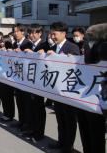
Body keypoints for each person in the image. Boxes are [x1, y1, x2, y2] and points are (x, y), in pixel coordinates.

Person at [47, 22, 80, 153]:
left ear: (63, 33)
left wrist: (57, 57)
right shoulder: (53, 47)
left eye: (54, 34)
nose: (52, 36)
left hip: (68, 91)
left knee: (69, 120)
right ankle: (61, 141)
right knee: (60, 118)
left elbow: (74, 65)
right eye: (51, 34)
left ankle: (68, 146)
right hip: (57, 90)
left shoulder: (72, 47)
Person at [23, 24, 49, 141]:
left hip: (39, 82)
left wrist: (40, 53)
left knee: (39, 107)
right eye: (30, 33)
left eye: (34, 33)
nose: (32, 35)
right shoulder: (27, 44)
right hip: (29, 80)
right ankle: (32, 129)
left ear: (40, 34)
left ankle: (39, 132)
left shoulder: (45, 45)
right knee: (30, 106)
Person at [12, 23, 33, 130]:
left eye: (17, 31)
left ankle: (27, 123)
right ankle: (21, 120)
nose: (15, 34)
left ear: (22, 32)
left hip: (26, 77)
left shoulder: (28, 43)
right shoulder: (15, 44)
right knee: (19, 100)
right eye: (14, 32)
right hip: (17, 75)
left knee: (26, 102)